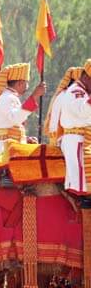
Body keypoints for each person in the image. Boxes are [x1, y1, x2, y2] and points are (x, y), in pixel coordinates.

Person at [0, 63, 46, 155]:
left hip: (10, 146)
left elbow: (12, 125)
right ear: (20, 83)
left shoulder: (10, 97)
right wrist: (34, 96)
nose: (27, 86)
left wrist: (25, 139)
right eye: (26, 83)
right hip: (5, 148)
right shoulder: (7, 97)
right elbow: (15, 118)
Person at [57, 60, 91, 196]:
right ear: (87, 78)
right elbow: (83, 110)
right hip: (76, 140)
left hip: (81, 139)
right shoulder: (76, 91)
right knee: (81, 185)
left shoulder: (82, 91)